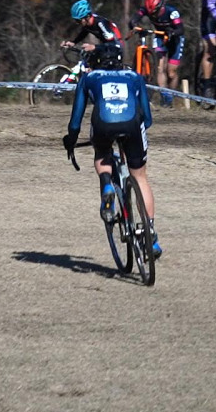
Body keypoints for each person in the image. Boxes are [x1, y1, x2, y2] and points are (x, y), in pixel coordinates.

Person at [62, 45, 161, 258]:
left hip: (103, 124)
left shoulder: (89, 78)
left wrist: (70, 141)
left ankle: (107, 184)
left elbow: (75, 121)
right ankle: (150, 237)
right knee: (140, 177)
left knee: (102, 153)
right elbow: (148, 119)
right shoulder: (134, 76)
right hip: (132, 125)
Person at [129, 0, 185, 106]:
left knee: (171, 72)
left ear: (162, 6)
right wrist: (133, 24)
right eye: (151, 14)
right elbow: (135, 17)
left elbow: (181, 29)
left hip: (175, 39)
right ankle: (165, 97)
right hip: (160, 36)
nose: (154, 16)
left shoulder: (172, 12)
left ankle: (171, 95)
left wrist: (173, 32)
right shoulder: (146, 9)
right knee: (160, 68)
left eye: (156, 12)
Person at [61, 0, 124, 73]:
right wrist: (73, 42)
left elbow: (112, 44)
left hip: (115, 46)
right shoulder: (87, 24)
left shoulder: (100, 23)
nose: (77, 23)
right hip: (105, 46)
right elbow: (83, 33)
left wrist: (94, 47)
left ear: (87, 17)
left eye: (78, 21)